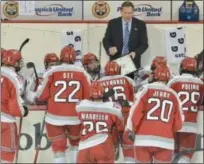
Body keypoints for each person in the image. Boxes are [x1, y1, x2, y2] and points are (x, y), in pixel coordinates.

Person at [34, 46, 91, 163]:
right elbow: (89, 96)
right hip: (76, 118)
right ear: (75, 58)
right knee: (75, 145)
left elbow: (40, 96)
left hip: (54, 118)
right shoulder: (82, 73)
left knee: (59, 150)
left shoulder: (51, 72)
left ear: (61, 57)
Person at [126, 66, 184, 163]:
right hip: (166, 141)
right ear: (168, 78)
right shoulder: (174, 94)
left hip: (143, 139)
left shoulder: (146, 89)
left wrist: (131, 129)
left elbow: (135, 112)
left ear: (154, 77)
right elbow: (179, 124)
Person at [76, 82, 124, 163]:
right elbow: (120, 128)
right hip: (104, 145)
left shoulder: (80, 106)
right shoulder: (113, 107)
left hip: (84, 147)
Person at [98, 61, 136, 163]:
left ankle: (115, 148)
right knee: (129, 149)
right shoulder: (127, 80)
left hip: (110, 117)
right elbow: (133, 100)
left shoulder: (99, 82)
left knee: (109, 150)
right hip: (126, 115)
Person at [167, 57, 203, 163]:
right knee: (186, 156)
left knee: (172, 153)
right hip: (191, 126)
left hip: (175, 125)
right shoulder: (201, 84)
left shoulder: (174, 82)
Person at [103, 1, 148, 79]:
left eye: (130, 13)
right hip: (115, 63)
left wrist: (136, 52)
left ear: (133, 12)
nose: (128, 15)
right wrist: (109, 48)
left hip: (133, 63)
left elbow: (144, 44)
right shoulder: (113, 23)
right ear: (121, 11)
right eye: (125, 13)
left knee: (131, 87)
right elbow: (106, 40)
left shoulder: (140, 24)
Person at [1, 49, 29, 163]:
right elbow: (15, 106)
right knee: (7, 155)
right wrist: (23, 111)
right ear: (14, 62)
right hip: (6, 121)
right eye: (18, 61)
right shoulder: (14, 78)